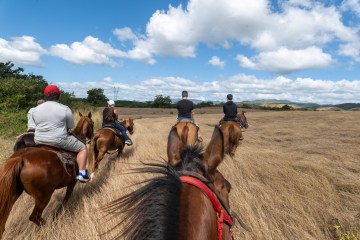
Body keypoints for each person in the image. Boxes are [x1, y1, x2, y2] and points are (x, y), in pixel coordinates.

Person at [32, 85, 90, 182]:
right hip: (59, 139)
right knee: (83, 148)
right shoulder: (65, 108)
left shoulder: (35, 109)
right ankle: (82, 173)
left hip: (38, 139)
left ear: (45, 95)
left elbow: (35, 124)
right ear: (58, 96)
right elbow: (71, 126)